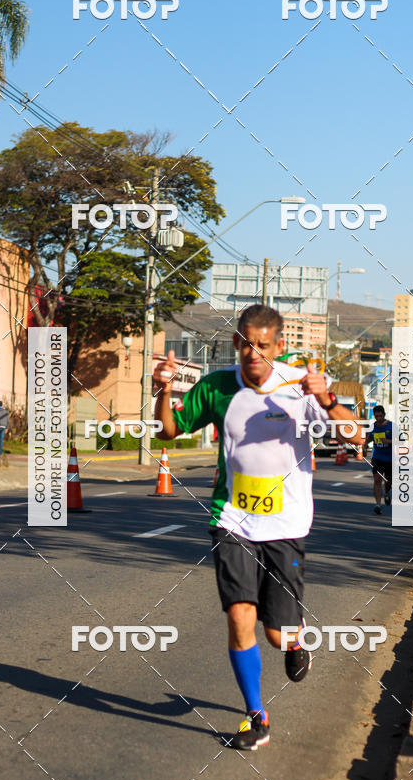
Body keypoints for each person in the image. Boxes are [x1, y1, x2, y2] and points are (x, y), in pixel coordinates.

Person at [153, 304, 364, 751]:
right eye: (246, 344)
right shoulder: (217, 387)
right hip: (232, 517)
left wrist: (325, 399)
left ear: (279, 346)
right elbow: (170, 431)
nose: (253, 353)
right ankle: (256, 715)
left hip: (286, 524)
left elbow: (354, 437)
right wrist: (163, 390)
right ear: (236, 343)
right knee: (240, 614)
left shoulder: (298, 386)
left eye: (263, 346)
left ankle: (294, 642)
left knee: (276, 632)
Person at [366, 405, 393, 515]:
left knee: (388, 481)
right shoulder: (372, 427)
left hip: (390, 458)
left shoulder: (391, 426)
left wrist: (387, 441)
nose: (378, 418)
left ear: (384, 415)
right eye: (376, 416)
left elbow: (401, 441)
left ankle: (386, 492)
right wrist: (364, 444)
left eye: (380, 416)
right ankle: (378, 504)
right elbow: (369, 438)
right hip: (377, 458)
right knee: (377, 480)